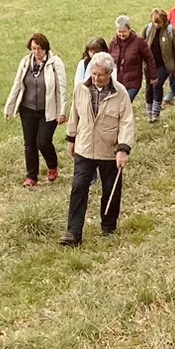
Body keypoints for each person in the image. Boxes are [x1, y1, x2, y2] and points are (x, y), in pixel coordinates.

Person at [59, 52, 134, 244]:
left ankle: (108, 226)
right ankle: (73, 232)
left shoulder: (121, 93)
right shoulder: (81, 89)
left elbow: (126, 122)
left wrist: (123, 149)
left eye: (100, 74)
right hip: (84, 148)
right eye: (93, 73)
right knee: (78, 187)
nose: (95, 77)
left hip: (109, 150)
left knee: (111, 189)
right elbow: (74, 114)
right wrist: (71, 138)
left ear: (110, 73)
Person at [3, 32, 67, 185]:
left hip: (48, 110)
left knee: (43, 142)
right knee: (29, 143)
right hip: (28, 109)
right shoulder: (25, 62)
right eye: (33, 48)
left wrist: (62, 112)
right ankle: (31, 176)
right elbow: (17, 85)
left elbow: (61, 88)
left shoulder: (55, 63)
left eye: (39, 48)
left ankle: (52, 165)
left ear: (45, 48)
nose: (36, 52)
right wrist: (9, 108)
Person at [143, 7, 175, 120]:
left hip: (164, 64)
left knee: (157, 84)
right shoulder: (148, 29)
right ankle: (149, 111)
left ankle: (156, 112)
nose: (157, 25)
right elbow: (141, 44)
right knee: (149, 87)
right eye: (155, 23)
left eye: (159, 23)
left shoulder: (170, 30)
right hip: (149, 64)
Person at [109, 14, 152, 100]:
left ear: (129, 29)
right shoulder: (113, 43)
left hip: (132, 83)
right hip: (116, 83)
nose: (121, 34)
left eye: (124, 31)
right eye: (119, 32)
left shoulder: (139, 42)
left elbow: (149, 58)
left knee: (125, 104)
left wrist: (153, 76)